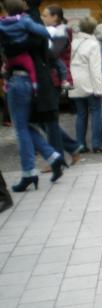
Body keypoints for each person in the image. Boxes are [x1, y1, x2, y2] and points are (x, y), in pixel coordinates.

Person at [0, 0, 65, 192]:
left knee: (20, 128)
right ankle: (53, 157)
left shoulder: (11, 30)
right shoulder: (30, 27)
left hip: (18, 81)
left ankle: (29, 172)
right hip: (30, 81)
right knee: (26, 126)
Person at [41, 4, 83, 168]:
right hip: (48, 79)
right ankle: (72, 147)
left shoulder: (60, 33)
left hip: (54, 80)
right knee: (45, 120)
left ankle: (56, 159)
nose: (42, 18)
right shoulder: (51, 32)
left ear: (55, 17)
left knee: (48, 120)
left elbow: (51, 54)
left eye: (45, 15)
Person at [69, 16, 102, 153]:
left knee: (81, 114)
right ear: (94, 29)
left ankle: (80, 144)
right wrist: (99, 89)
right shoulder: (93, 44)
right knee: (96, 112)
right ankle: (97, 144)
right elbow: (95, 69)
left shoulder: (73, 42)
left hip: (75, 83)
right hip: (90, 84)